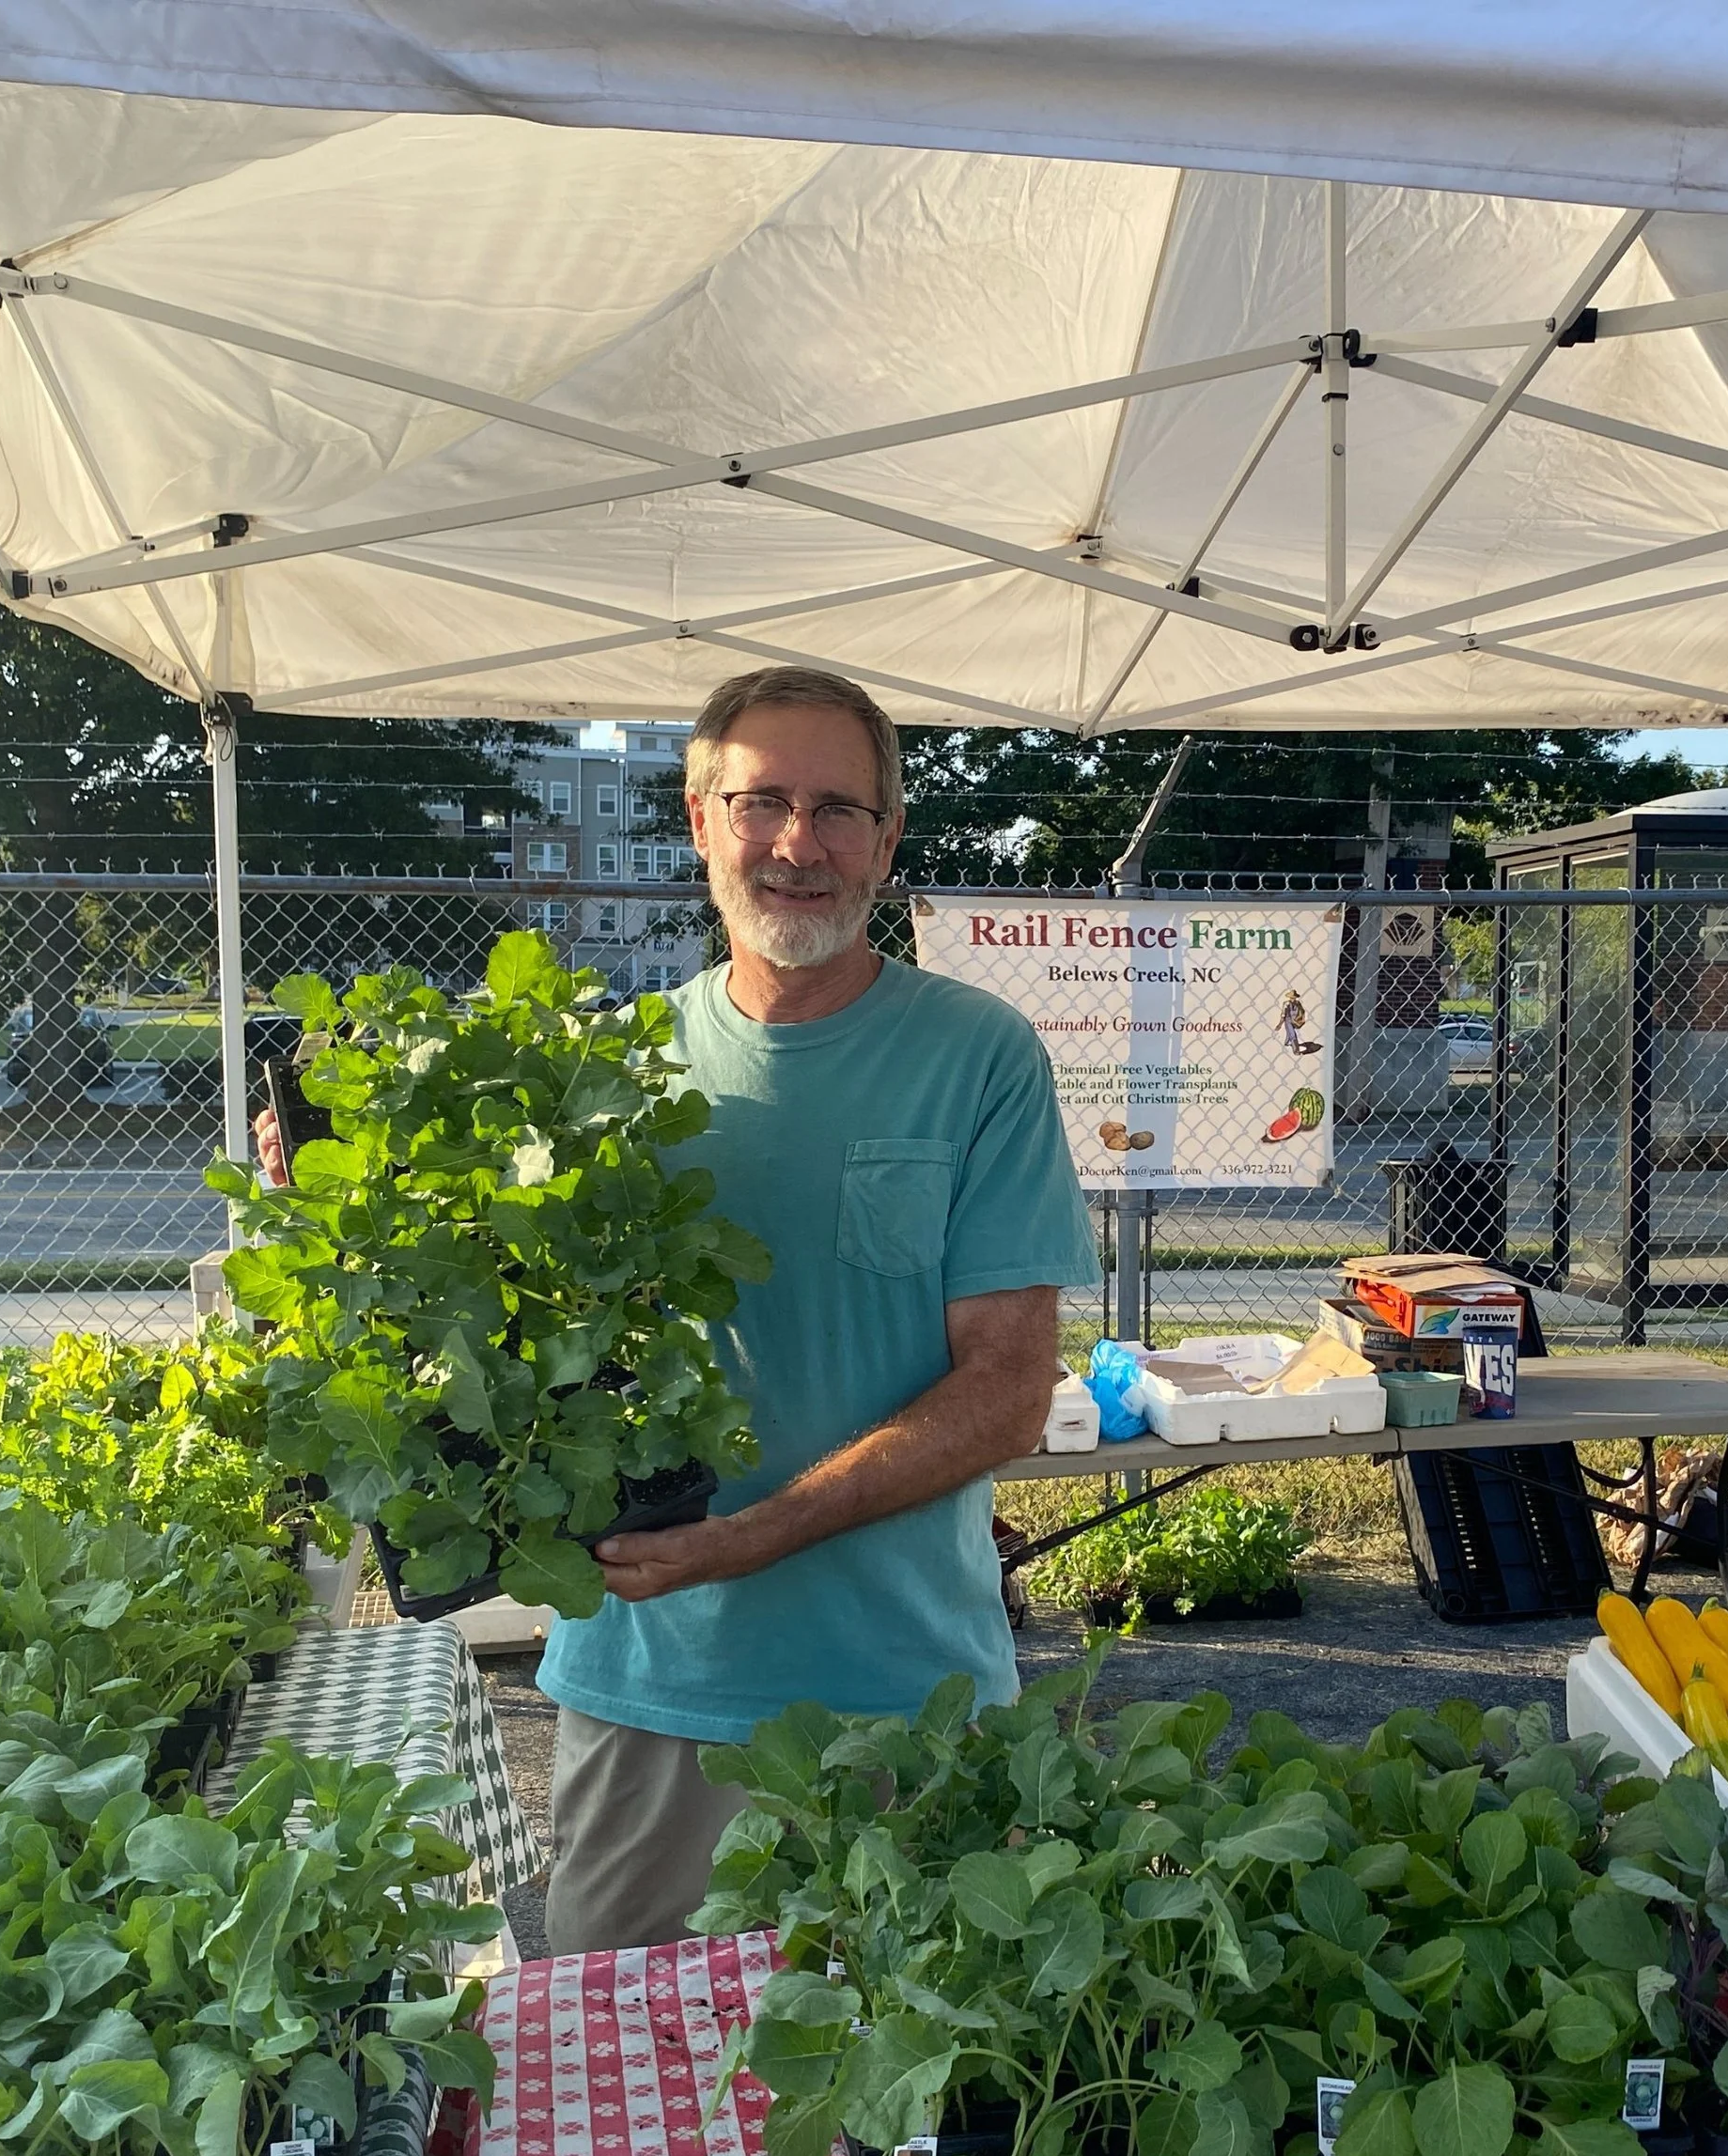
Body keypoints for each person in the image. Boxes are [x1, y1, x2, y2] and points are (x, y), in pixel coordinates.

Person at [258, 666, 1099, 1955]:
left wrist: (757, 1533)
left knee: (910, 2117)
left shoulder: (978, 1057)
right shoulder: (611, 1072)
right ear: (700, 819)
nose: (797, 844)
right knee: (620, 2094)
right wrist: (343, 1185)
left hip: (904, 1697)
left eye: (837, 808)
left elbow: (1006, 1390)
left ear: (889, 839)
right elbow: (480, 1335)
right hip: (653, 1687)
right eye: (760, 801)